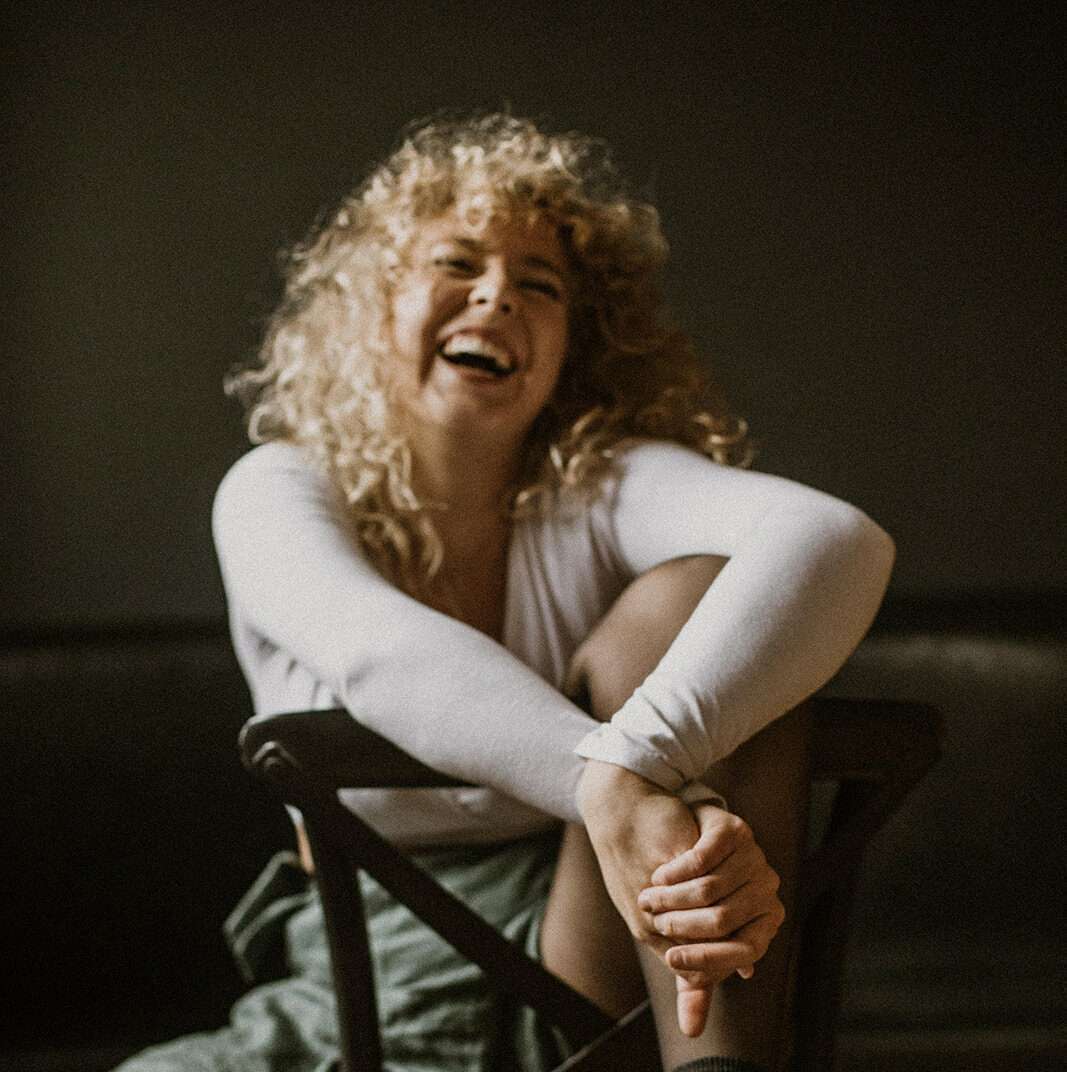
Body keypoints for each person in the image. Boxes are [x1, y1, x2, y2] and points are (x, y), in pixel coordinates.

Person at [117, 112, 894, 1072]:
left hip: (593, 976)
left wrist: (640, 763)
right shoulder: (278, 488)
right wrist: (623, 796)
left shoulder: (599, 489)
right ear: (374, 307)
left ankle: (719, 1066)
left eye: (539, 286)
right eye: (456, 265)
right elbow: (380, 656)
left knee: (693, 593)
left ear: (575, 348)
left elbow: (833, 537)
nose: (496, 296)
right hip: (367, 992)